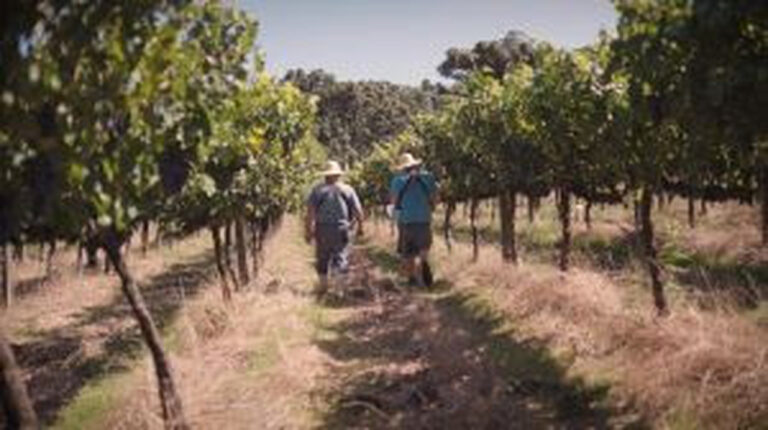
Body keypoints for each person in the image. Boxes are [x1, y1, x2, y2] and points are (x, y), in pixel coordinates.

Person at [305, 160, 364, 296]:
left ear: (325, 175)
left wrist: (308, 230)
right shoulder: (347, 189)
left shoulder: (317, 190)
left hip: (322, 229)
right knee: (341, 256)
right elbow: (358, 210)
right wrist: (361, 227)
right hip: (342, 228)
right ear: (338, 175)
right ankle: (339, 289)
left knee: (322, 257)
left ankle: (323, 286)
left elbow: (310, 213)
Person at [390, 153, 438, 286]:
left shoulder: (397, 181)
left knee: (409, 252)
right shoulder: (428, 177)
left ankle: (412, 278)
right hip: (424, 219)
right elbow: (435, 197)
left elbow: (394, 201)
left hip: (406, 220)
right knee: (423, 248)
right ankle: (423, 266)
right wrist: (430, 208)